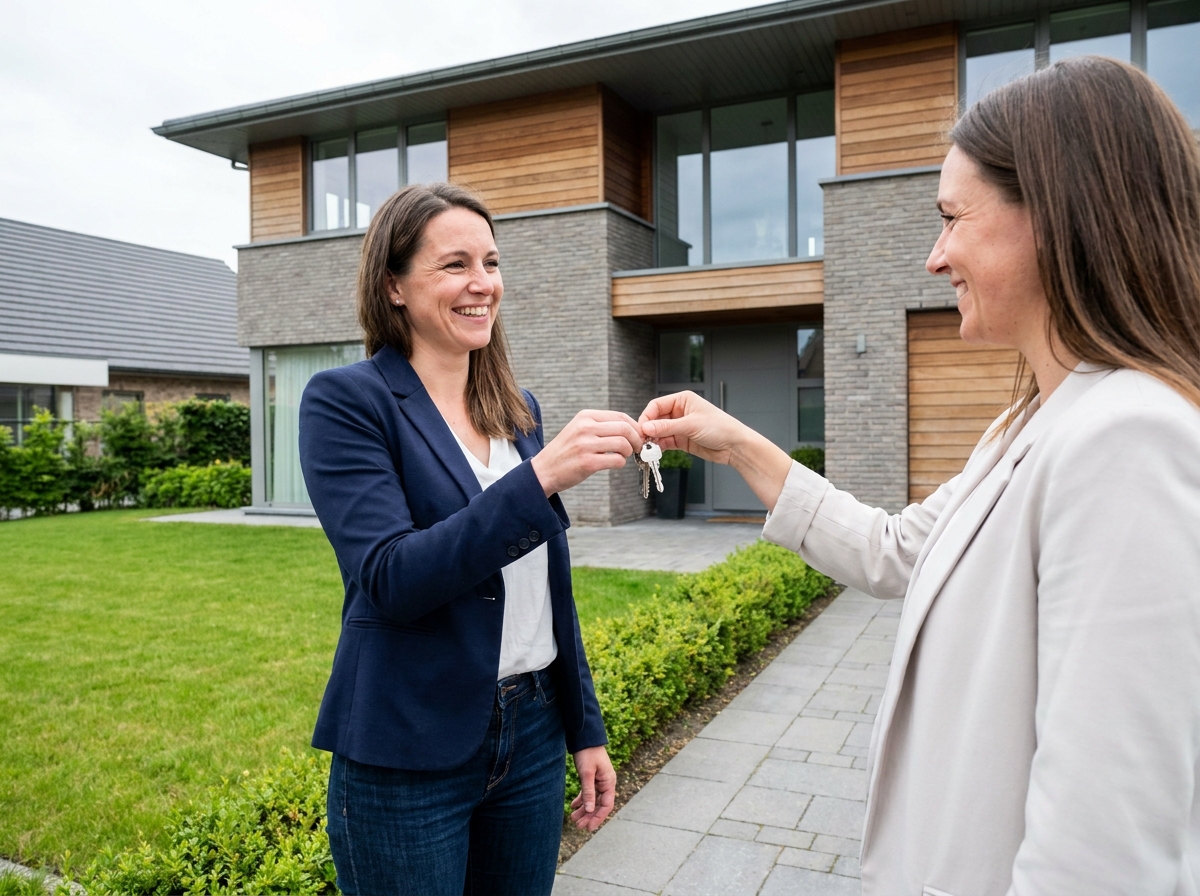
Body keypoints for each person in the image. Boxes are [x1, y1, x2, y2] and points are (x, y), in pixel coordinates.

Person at [641, 56, 1200, 895]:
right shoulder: (1032, 422)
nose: (936, 259)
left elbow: (1103, 855)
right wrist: (739, 446)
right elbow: (897, 549)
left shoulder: (1129, 442)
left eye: (950, 218)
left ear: (1056, 215)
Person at [299, 183, 634, 895]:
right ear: (393, 286)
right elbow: (391, 577)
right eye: (455, 265)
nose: (483, 283)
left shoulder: (517, 410)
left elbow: (549, 590)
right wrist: (539, 479)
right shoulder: (346, 401)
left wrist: (585, 728)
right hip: (408, 747)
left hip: (533, 733)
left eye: (491, 262)